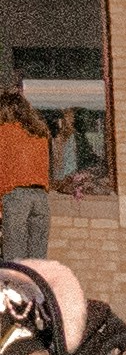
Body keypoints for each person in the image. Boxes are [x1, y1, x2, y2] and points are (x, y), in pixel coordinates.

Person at [0, 88, 50, 263]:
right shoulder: (39, 132)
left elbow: (4, 171)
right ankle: (35, 290)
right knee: (37, 261)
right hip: (41, 197)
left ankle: (16, 290)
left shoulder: (4, 131)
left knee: (15, 259)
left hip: (16, 196)